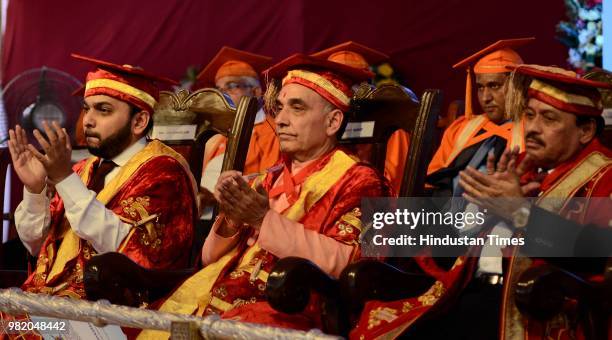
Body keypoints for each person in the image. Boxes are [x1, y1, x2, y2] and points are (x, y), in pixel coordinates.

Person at [137, 53, 391, 339]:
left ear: (333, 122)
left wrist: (261, 219)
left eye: (297, 108)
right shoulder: (269, 177)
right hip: (221, 301)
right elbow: (209, 260)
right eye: (279, 107)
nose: (280, 119)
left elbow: (353, 266)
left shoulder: (363, 180)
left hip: (291, 309)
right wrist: (232, 217)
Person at [5, 54, 197, 301]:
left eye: (103, 110)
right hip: (48, 301)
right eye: (86, 109)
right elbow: (35, 246)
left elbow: (128, 253)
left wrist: (63, 178)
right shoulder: (83, 169)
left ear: (139, 121)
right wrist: (34, 190)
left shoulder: (163, 172)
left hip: (107, 313)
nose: (88, 120)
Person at [459, 64, 612, 339]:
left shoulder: (605, 177)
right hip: (474, 290)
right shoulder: (519, 166)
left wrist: (519, 213)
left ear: (586, 131)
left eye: (549, 119)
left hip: (540, 308)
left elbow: (598, 251)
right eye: (529, 115)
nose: (532, 129)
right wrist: (480, 211)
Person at [427, 38, 534, 187]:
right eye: (480, 87)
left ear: (518, 86)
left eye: (494, 86)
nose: (485, 98)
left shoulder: (534, 132)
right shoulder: (459, 129)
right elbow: (431, 184)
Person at [313, 41, 411, 194]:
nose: (342, 93)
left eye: (353, 83)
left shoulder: (392, 127)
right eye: (333, 85)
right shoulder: (324, 122)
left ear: (368, 86)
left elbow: (393, 184)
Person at [195, 46, 279, 219]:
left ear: (256, 91)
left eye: (232, 86)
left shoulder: (275, 133)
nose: (222, 95)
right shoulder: (216, 136)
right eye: (219, 89)